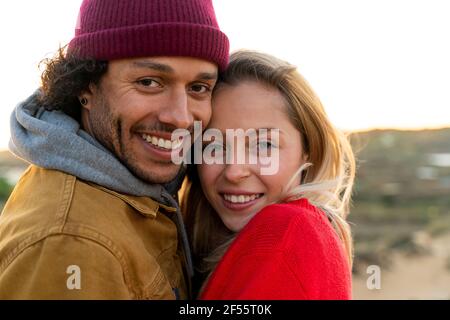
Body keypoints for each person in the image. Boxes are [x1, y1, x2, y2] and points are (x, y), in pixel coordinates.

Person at [0, 0, 229, 299]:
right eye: (149, 82)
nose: (181, 117)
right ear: (86, 86)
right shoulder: (74, 243)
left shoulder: (144, 190)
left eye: (198, 87)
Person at [182, 50, 356, 299]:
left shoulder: (287, 232)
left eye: (264, 145)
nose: (234, 171)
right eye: (215, 146)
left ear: (308, 151)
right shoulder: (314, 236)